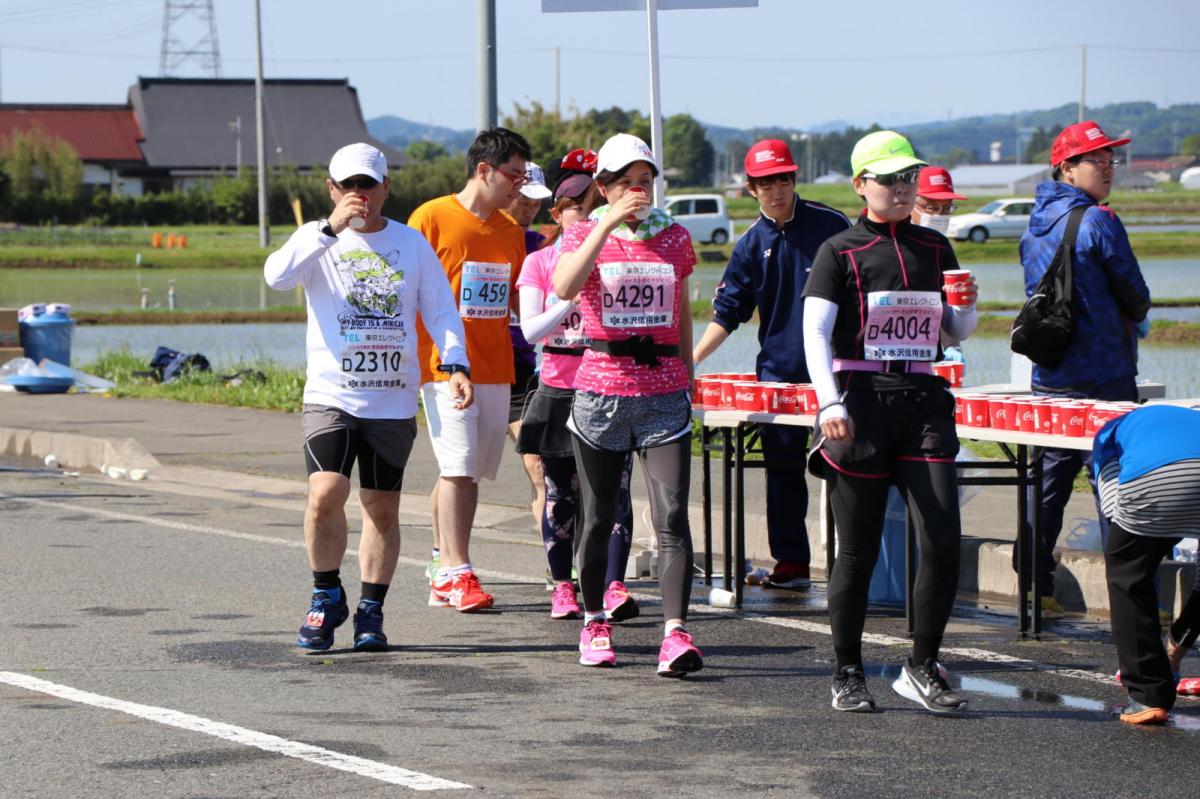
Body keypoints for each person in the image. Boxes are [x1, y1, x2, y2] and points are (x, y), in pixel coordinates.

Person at [264, 142, 471, 650]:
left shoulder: (411, 245)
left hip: (391, 399)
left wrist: (456, 363)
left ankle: (371, 612)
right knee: (324, 495)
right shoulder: (316, 240)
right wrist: (329, 228)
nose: (359, 195)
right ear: (332, 189)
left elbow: (441, 310)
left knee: (381, 508)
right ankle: (324, 595)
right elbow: (275, 276)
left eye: (368, 185)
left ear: (386, 188)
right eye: (347, 185)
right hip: (331, 394)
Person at [802, 130, 979, 713]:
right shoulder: (840, 250)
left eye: (909, 179)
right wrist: (828, 402)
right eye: (890, 180)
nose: (904, 189)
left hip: (923, 397)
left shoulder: (934, 247)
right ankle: (847, 670)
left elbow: (953, 331)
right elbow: (816, 332)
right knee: (856, 549)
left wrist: (967, 306)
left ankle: (923, 665)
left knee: (944, 537)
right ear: (861, 186)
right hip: (861, 399)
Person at [553, 133, 703, 676]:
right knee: (597, 519)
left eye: (644, 181)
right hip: (601, 394)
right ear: (602, 187)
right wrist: (606, 224)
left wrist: (689, 372)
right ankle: (594, 619)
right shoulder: (582, 234)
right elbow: (565, 287)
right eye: (624, 182)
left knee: (672, 517)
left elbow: (682, 310)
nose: (637, 190)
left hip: (663, 391)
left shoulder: (674, 237)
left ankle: (676, 633)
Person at [693, 139, 850, 589]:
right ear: (751, 189)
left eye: (783, 179)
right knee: (783, 472)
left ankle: (851, 567)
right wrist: (690, 362)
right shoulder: (749, 244)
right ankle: (793, 564)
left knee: (845, 468)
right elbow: (728, 313)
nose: (777, 190)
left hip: (837, 374)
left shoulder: (831, 224)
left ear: (794, 179)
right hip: (778, 376)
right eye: (766, 183)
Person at [1017, 121, 1151, 617]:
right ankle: (1129, 600)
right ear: (1068, 168)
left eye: (1112, 158)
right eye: (1098, 159)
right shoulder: (1099, 222)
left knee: (1046, 484)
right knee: (1113, 483)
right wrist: (1134, 318)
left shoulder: (1035, 224)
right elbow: (1136, 294)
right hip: (1104, 377)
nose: (1109, 167)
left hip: (1050, 375)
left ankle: (1033, 584)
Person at [408, 127, 530, 612]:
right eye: (513, 175)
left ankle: (442, 562)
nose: (519, 185)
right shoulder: (431, 218)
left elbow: (520, 297)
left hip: (495, 364)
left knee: (466, 472)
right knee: (458, 466)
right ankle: (459, 572)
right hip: (441, 367)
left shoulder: (510, 231)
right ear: (484, 170)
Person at [515, 149, 637, 621]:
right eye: (573, 208)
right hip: (559, 388)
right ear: (558, 214)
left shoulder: (620, 257)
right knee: (561, 494)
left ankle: (614, 584)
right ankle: (563, 586)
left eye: (591, 207)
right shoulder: (541, 264)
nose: (582, 216)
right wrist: (569, 304)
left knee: (614, 494)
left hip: (610, 387)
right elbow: (530, 332)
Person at [1095, 405, 1200, 724]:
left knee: (1127, 573)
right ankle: (1172, 655)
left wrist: (1150, 541)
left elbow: (1114, 510)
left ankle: (1147, 696)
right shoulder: (1188, 418)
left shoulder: (1106, 435)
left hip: (1160, 477)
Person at [505, 162, 552, 547]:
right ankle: (443, 556)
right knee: (461, 472)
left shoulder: (540, 244)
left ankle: (559, 567)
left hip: (522, 369)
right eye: (523, 200)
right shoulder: (477, 236)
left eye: (536, 202)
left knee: (541, 469)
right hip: (474, 369)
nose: (529, 208)